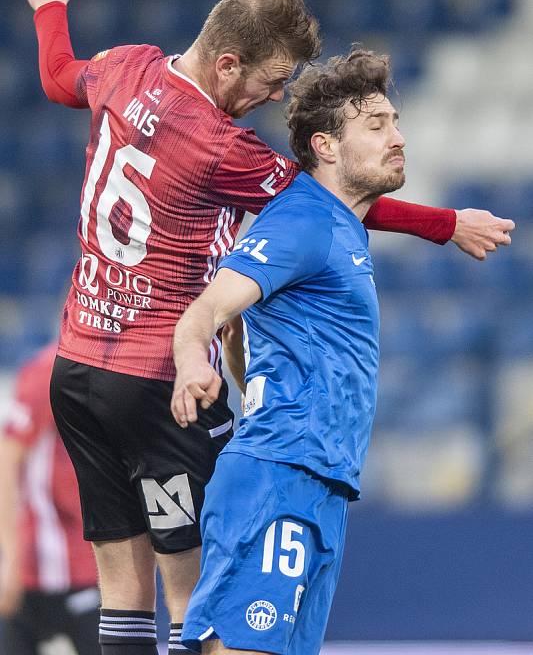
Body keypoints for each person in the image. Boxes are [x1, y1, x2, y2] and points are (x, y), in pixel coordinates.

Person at [21, 0, 513, 655]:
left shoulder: (126, 66)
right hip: (159, 379)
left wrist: (50, 9)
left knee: (121, 593)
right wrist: (445, 225)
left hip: (79, 368)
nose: (276, 97)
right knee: (199, 597)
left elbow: (60, 77)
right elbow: (334, 201)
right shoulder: (220, 146)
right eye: (272, 80)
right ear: (228, 63)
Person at [171, 49, 514, 655]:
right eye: (377, 126)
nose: (398, 138)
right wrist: (193, 363)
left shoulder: (339, 226)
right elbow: (205, 311)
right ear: (326, 146)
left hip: (320, 482)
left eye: (396, 123)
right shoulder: (301, 222)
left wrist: (240, 366)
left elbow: (255, 345)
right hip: (280, 475)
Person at [0, 341, 100, 655]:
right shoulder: (48, 371)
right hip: (38, 565)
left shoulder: (116, 369)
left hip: (92, 558)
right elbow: (7, 459)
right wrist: (9, 559)